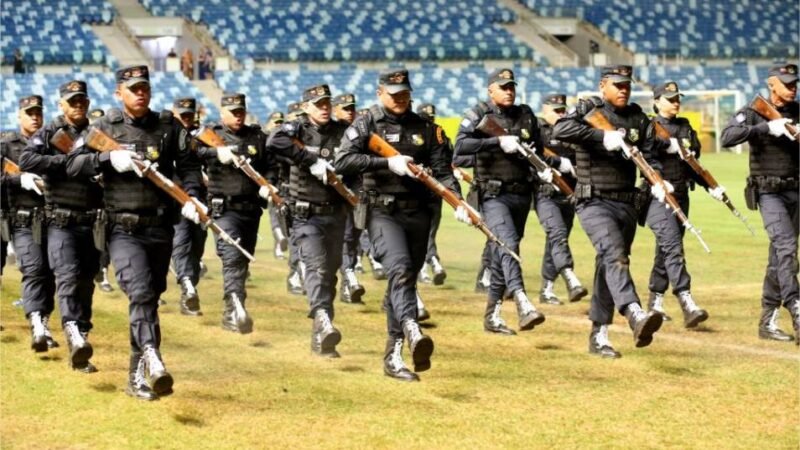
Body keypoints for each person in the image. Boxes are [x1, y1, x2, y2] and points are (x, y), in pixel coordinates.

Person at [66, 65, 204, 400]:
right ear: (119, 93)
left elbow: (188, 168)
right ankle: (153, 360)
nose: (140, 93)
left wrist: (194, 197)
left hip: (160, 228)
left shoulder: (169, 126)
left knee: (150, 299)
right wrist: (107, 159)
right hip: (122, 229)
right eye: (133, 88)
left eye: (144, 87)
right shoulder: (103, 127)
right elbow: (72, 165)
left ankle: (136, 375)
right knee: (141, 293)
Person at [335, 69, 467, 382]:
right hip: (381, 212)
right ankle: (411, 327)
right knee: (401, 269)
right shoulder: (367, 123)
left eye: (405, 93)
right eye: (394, 94)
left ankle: (393, 357)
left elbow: (442, 170)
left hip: (419, 214)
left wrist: (459, 201)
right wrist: (386, 163)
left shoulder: (427, 127)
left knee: (404, 281)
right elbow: (343, 161)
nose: (400, 99)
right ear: (380, 92)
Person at [552, 65, 665, 358]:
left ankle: (599, 333)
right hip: (593, 201)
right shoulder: (588, 108)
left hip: (627, 204)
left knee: (610, 264)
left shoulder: (639, 118)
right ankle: (634, 311)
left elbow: (653, 157)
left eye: (626, 84)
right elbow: (561, 129)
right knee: (615, 254)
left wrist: (658, 181)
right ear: (603, 85)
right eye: (617, 84)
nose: (623, 89)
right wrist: (602, 137)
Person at [454, 68, 546, 336]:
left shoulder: (526, 115)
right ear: (490, 90)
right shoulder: (478, 114)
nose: (509, 91)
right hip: (493, 195)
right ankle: (521, 300)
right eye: (503, 87)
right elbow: (460, 147)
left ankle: (492, 316)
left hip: (521, 195)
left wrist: (544, 169)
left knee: (500, 254)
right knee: (509, 245)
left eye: (511, 86)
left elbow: (537, 150)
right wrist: (496, 142)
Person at [20, 80, 102, 372]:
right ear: (62, 105)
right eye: (72, 101)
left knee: (85, 284)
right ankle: (74, 335)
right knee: (66, 278)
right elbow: (27, 159)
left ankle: (81, 339)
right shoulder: (50, 131)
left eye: (82, 100)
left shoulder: (98, 133)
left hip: (92, 221)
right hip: (60, 221)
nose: (78, 105)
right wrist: (67, 163)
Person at [268, 84, 350, 356]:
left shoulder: (342, 132)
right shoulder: (297, 130)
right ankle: (324, 321)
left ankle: (321, 335)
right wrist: (310, 160)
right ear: (306, 107)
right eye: (318, 104)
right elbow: (273, 141)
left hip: (336, 214)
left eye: (327, 103)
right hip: (305, 215)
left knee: (330, 274)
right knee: (315, 268)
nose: (324, 108)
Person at [721, 63, 799, 344]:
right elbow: (728, 137)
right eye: (787, 83)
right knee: (787, 250)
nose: (793, 88)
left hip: (796, 192)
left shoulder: (798, 110)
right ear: (771, 84)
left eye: (795, 83)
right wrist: (766, 127)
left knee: (779, 257)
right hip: (768, 193)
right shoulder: (753, 111)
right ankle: (796, 309)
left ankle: (767, 320)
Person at [195, 93, 276, 333]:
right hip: (224, 209)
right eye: (233, 112)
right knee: (232, 257)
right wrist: (214, 153)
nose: (238, 116)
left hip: (251, 210)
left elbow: (270, 166)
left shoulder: (257, 137)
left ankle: (232, 309)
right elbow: (190, 154)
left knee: (242, 261)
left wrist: (268, 185)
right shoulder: (211, 136)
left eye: (241, 111)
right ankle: (237, 307)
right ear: (222, 114)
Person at [644, 81, 714, 328]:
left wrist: (711, 186)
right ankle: (686, 301)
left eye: (677, 99)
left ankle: (655, 302)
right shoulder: (649, 126)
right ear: (657, 101)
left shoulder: (684, 126)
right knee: (673, 246)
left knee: (666, 249)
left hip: (682, 194)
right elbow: (645, 156)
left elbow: (693, 161)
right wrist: (662, 173)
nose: (676, 102)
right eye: (670, 99)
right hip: (658, 196)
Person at [1, 95, 56, 351]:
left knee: (53, 272)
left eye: (38, 113)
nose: (35, 117)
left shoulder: (52, 142)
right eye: (29, 113)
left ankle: (43, 321)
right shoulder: (6, 144)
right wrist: (18, 180)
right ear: (19, 116)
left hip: (54, 218)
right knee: (33, 269)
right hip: (23, 219)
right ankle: (37, 324)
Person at [535, 94, 588, 305]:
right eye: (556, 110)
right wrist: (558, 162)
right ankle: (570, 277)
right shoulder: (536, 131)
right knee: (557, 234)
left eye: (562, 110)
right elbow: (531, 153)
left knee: (556, 240)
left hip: (569, 194)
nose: (560, 114)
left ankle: (547, 289)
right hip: (545, 193)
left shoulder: (570, 130)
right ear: (544, 111)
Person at [170, 97, 209, 316]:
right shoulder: (167, 136)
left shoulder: (203, 137)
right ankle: (187, 287)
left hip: (201, 199)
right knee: (182, 242)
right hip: (177, 200)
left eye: (188, 115)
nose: (185, 119)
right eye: (181, 115)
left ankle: (190, 286)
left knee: (197, 246)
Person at [332, 93, 366, 303]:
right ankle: (349, 278)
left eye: (352, 108)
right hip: (336, 194)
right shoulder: (332, 132)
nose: (350, 111)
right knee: (344, 237)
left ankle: (347, 283)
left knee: (353, 237)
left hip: (357, 192)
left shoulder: (361, 132)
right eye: (345, 108)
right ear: (335, 109)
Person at [416, 103, 448, 286]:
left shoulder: (439, 135)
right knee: (422, 232)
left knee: (430, 231)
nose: (429, 122)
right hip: (417, 192)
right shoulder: (413, 136)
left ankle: (429, 263)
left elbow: (447, 160)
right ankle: (430, 263)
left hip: (433, 192)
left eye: (431, 119)